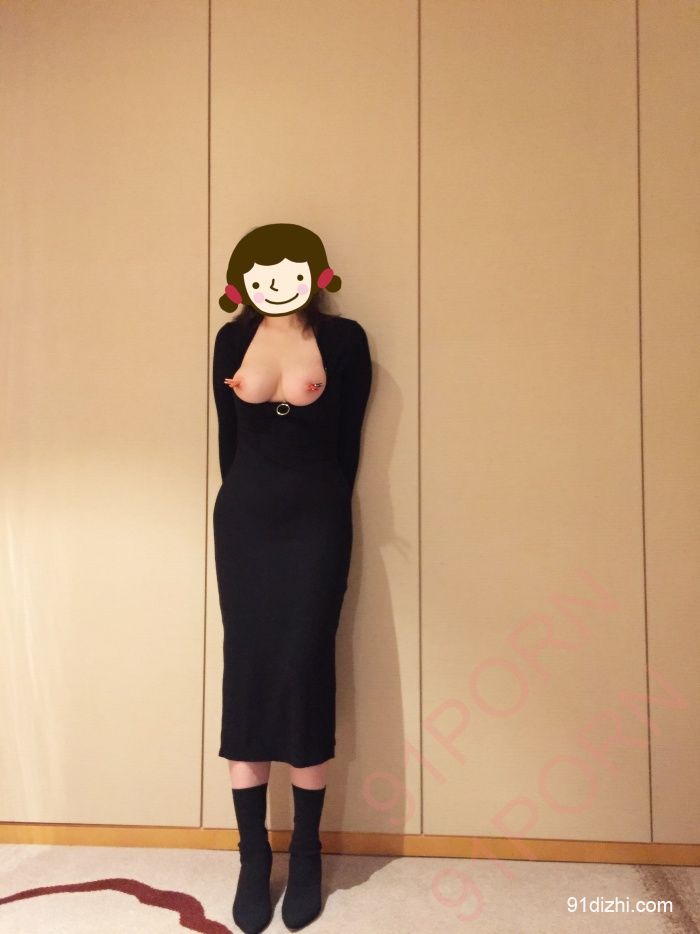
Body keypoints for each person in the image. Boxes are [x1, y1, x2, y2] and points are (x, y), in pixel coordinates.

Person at [212, 223, 372, 932]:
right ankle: (254, 855)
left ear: (315, 272)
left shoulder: (344, 341)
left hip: (316, 521)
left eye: (289, 268)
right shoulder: (230, 342)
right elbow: (230, 440)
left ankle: (306, 851)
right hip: (245, 521)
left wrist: (319, 505)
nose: (276, 281)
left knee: (306, 666)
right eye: (262, 271)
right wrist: (256, 497)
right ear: (243, 280)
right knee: (247, 668)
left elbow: (348, 443)